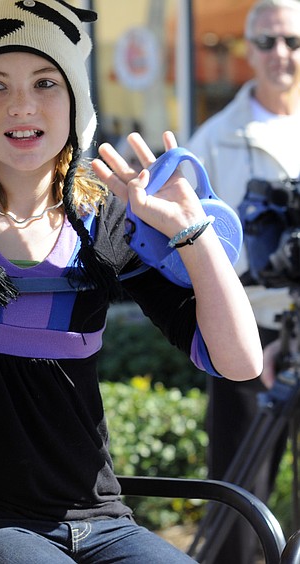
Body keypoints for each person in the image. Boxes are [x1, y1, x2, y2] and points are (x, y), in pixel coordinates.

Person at [0, 1, 263, 562]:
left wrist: (193, 233)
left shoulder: (107, 224)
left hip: (105, 524)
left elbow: (238, 361)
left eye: (45, 82)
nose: (21, 105)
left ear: (76, 102)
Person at [185, 2, 300, 561]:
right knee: (239, 501)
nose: (281, 54)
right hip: (247, 341)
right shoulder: (213, 139)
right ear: (247, 49)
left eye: (293, 41)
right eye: (268, 42)